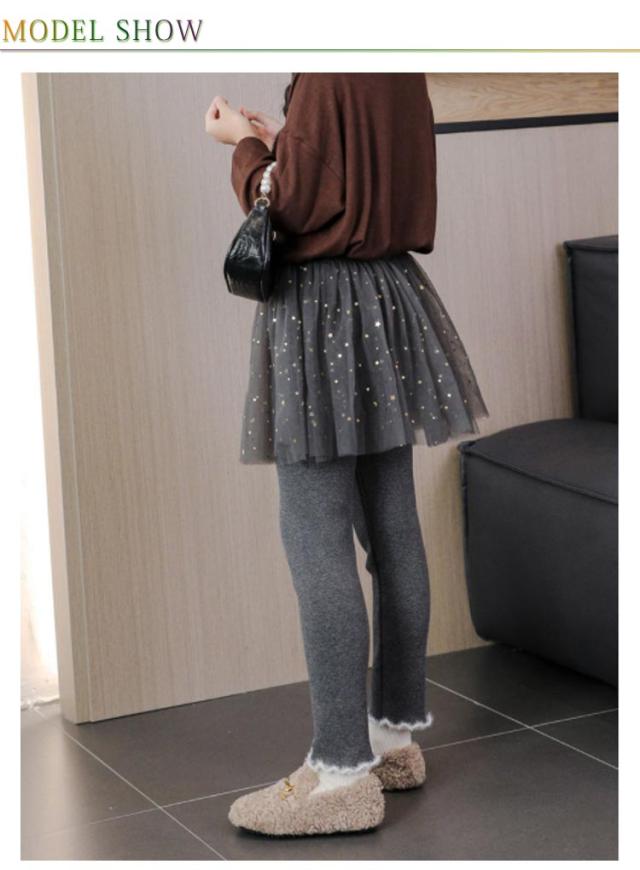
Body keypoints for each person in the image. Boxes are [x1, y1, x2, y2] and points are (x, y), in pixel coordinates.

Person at [205, 73, 489, 837]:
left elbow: (292, 206)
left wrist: (246, 146)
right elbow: (358, 174)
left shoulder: (328, 61)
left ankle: (339, 774)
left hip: (320, 307)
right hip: (389, 295)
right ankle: (392, 740)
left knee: (315, 536)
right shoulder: (395, 59)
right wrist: (286, 141)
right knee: (392, 528)